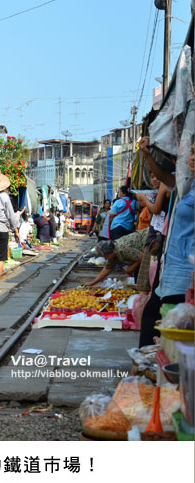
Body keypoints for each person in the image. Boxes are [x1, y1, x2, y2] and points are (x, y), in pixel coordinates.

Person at [139, 140, 194, 347]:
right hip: (170, 271)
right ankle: (144, 369)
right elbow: (164, 178)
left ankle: (144, 371)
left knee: (167, 333)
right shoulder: (187, 184)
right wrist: (147, 154)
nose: (193, 157)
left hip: (185, 275)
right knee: (155, 323)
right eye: (192, 152)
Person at [83, 228, 149, 287]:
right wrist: (92, 283)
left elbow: (142, 256)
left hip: (148, 240)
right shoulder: (113, 252)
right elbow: (107, 268)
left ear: (110, 252)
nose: (105, 259)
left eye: (105, 257)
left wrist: (131, 269)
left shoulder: (122, 249)